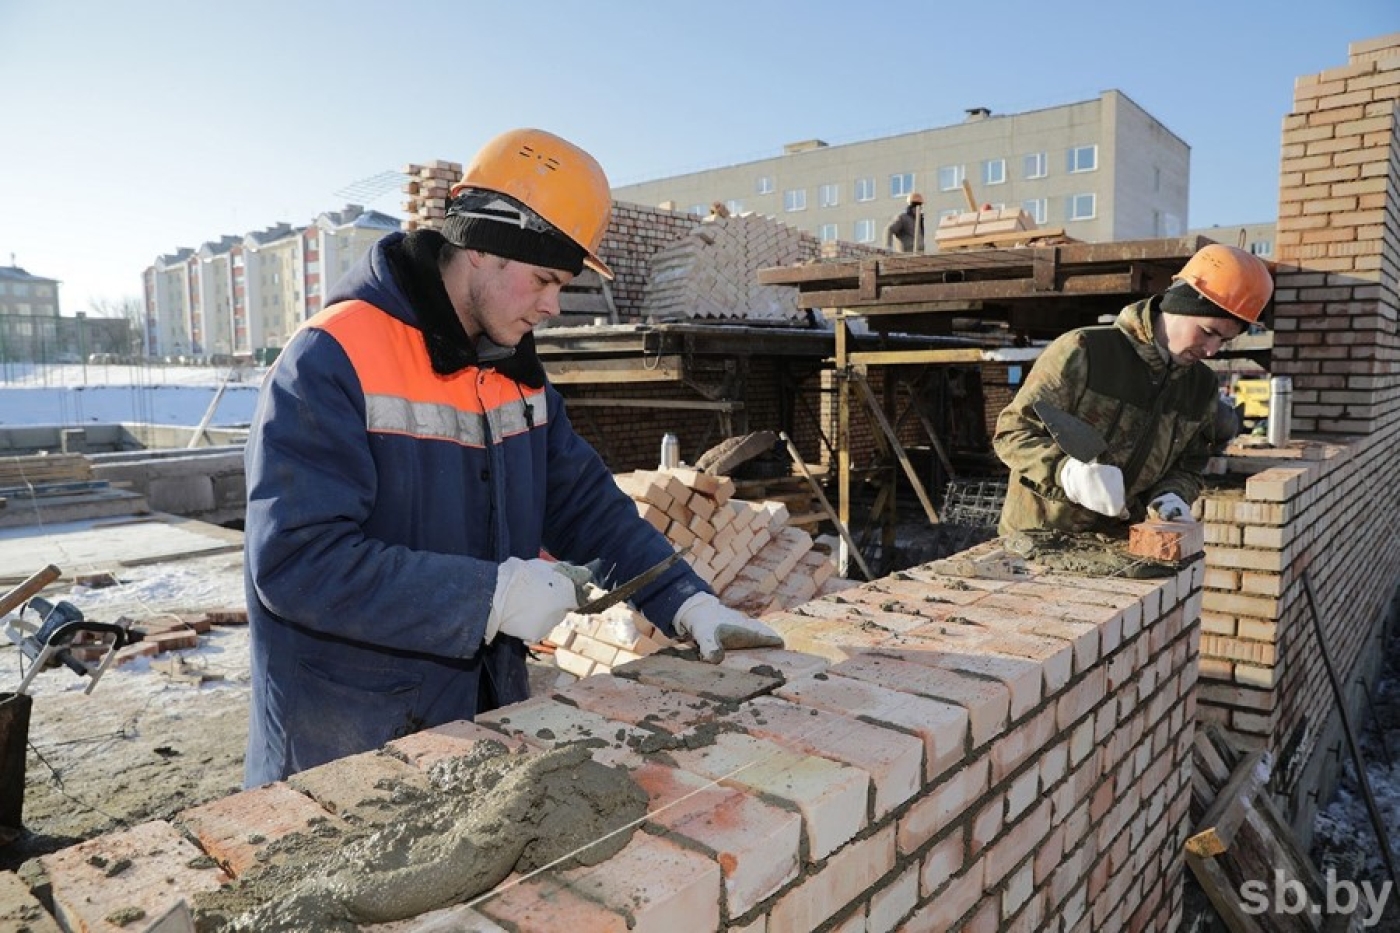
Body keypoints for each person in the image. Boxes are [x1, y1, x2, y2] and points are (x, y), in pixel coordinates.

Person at [242, 128, 783, 786]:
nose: (553, 305)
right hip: (346, 745)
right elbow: (296, 563)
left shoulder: (513, 373)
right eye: (544, 279)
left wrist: (688, 603)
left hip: (479, 723)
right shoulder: (331, 357)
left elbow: (586, 507)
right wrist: (488, 597)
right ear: (482, 247)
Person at [993, 243, 1273, 536]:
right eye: (1208, 332)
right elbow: (1012, 433)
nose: (1212, 350)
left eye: (1224, 341)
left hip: (1117, 542)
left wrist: (1171, 496)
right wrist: (1067, 473)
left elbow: (1189, 464)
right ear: (1180, 304)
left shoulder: (1201, 387)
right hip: (1037, 536)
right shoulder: (1086, 352)